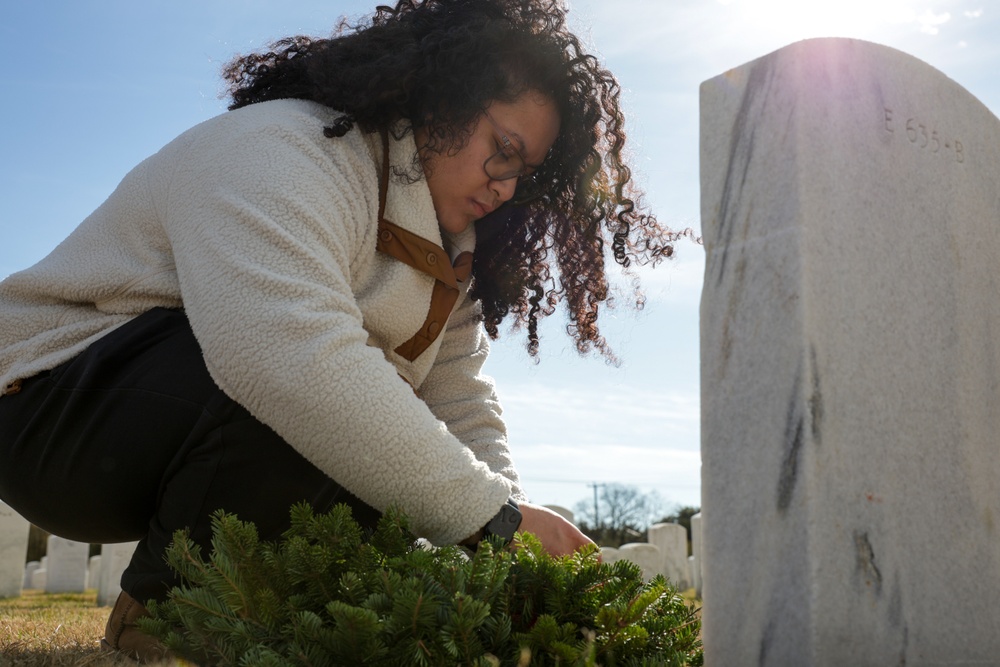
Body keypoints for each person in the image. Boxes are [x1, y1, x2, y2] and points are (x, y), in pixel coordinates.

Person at [0, 0, 682, 660]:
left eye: (524, 171)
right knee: (320, 388)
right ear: (441, 100)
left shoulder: (451, 256)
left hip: (177, 439)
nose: (505, 185)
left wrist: (510, 539)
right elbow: (282, 354)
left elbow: (462, 406)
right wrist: (493, 522)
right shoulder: (281, 147)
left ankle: (239, 613)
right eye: (502, 148)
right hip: (43, 406)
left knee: (378, 449)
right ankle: (167, 616)